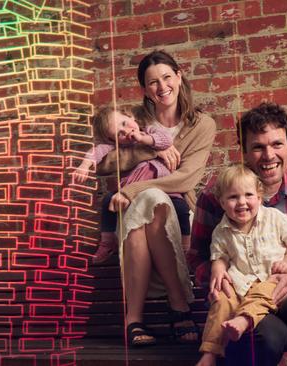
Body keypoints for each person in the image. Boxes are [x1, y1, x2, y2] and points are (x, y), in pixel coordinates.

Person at [188, 102, 287, 365]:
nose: (269, 155)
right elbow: (198, 257)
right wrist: (219, 278)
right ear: (244, 152)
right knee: (266, 336)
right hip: (240, 299)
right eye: (258, 147)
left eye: (276, 144)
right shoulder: (215, 195)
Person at [95, 50, 216, 346]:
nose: (162, 87)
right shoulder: (133, 120)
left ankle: (133, 319)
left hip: (176, 210)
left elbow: (187, 177)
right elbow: (103, 163)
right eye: (152, 83)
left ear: (179, 76)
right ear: (144, 90)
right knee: (144, 205)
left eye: (166, 78)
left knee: (148, 198)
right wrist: (152, 148)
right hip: (136, 209)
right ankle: (178, 307)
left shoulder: (202, 124)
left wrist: (133, 189)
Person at [196, 164, 287, 366]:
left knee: (264, 293)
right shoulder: (221, 231)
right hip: (239, 284)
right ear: (222, 202)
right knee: (220, 300)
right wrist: (218, 270)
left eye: (248, 195)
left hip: (270, 280)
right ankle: (210, 352)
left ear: (259, 198)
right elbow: (219, 255)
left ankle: (244, 320)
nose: (242, 202)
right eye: (233, 197)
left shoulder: (274, 218)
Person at [73, 106, 192, 265]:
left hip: (163, 187)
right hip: (133, 191)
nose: (125, 131)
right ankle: (107, 242)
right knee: (108, 200)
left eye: (124, 123)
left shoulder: (149, 132)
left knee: (182, 209)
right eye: (119, 134)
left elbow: (167, 140)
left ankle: (186, 247)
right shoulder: (117, 148)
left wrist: (143, 139)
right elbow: (97, 151)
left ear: (130, 116)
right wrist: (84, 165)